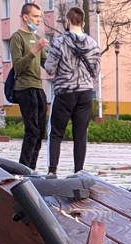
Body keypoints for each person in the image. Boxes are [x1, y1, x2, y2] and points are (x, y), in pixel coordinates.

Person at [44, 6, 100, 177]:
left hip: (64, 92)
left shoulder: (59, 42)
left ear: (67, 22)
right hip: (85, 93)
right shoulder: (92, 44)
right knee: (80, 134)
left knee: (56, 133)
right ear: (82, 23)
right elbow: (96, 72)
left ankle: (52, 171)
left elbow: (49, 69)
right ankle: (78, 171)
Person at [11, 3, 49, 171]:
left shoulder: (36, 37)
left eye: (40, 17)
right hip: (24, 87)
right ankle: (23, 168)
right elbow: (18, 66)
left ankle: (31, 168)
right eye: (35, 16)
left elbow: (46, 63)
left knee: (40, 131)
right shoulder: (17, 37)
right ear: (25, 17)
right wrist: (34, 50)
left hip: (38, 87)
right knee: (32, 130)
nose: (39, 20)